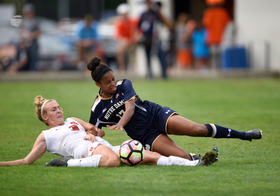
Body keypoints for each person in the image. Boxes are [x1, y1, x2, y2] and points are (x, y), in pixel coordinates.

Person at [87, 57, 262, 161]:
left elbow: (130, 108)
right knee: (184, 158)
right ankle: (196, 158)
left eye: (113, 79)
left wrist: (120, 123)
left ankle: (244, 135)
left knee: (197, 129)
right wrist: (93, 133)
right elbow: (96, 130)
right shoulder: (97, 108)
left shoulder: (124, 84)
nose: (113, 84)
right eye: (107, 82)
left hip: (156, 115)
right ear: (97, 84)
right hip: (145, 135)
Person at [0, 95, 219, 167]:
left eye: (59, 107)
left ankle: (194, 164)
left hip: (100, 145)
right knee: (113, 161)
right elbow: (27, 161)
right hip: (84, 152)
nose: (59, 110)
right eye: (53, 109)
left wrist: (92, 131)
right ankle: (66, 162)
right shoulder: (45, 136)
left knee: (149, 155)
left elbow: (99, 131)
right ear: (44, 117)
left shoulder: (71, 120)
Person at [138, 0, 173, 79]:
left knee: (161, 55)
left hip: (157, 39)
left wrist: (159, 12)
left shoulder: (156, 14)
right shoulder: (143, 15)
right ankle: (150, 75)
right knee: (148, 57)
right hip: (147, 39)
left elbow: (169, 25)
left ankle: (164, 74)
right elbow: (138, 27)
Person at [202, 0, 231, 69]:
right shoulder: (223, 12)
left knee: (213, 54)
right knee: (221, 54)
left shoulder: (208, 12)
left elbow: (206, 24)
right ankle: (221, 68)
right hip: (222, 37)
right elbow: (228, 24)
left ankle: (214, 68)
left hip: (212, 37)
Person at [114, 3, 140, 73]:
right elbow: (118, 36)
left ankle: (133, 68)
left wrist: (133, 39)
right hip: (125, 43)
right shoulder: (119, 23)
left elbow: (136, 32)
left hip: (132, 42)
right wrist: (124, 40)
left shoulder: (133, 22)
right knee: (119, 51)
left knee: (133, 52)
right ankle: (122, 67)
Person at [19, 3, 41, 71]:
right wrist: (24, 36)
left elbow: (39, 32)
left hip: (33, 44)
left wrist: (31, 35)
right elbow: (20, 31)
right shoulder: (24, 21)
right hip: (25, 44)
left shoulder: (36, 20)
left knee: (34, 60)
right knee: (24, 59)